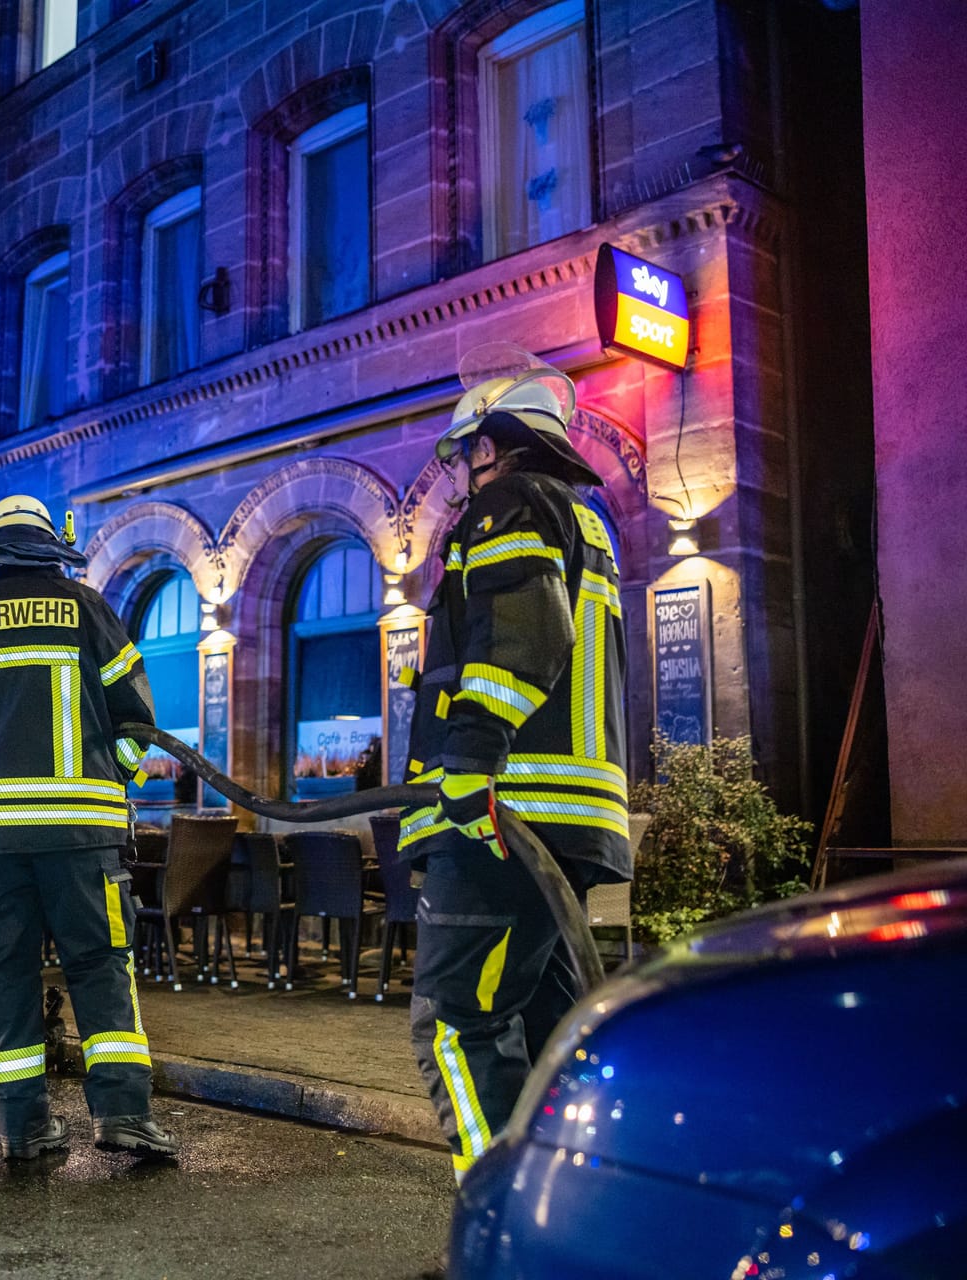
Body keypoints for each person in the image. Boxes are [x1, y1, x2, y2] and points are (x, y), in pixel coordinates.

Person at [400, 348, 632, 1182]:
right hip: (563, 820)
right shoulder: (584, 519)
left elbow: (525, 639)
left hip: (499, 812)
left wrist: (466, 760)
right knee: (550, 1030)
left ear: (491, 444)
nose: (462, 474)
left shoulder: (510, 503)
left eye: (465, 456)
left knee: (455, 1026)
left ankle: (495, 1214)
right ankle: (567, 1210)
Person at [0, 495, 178, 1161]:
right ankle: (123, 1115)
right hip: (80, 837)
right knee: (99, 966)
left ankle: (21, 1125)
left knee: (5, 972)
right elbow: (137, 716)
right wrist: (110, 778)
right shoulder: (86, 608)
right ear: (48, 545)